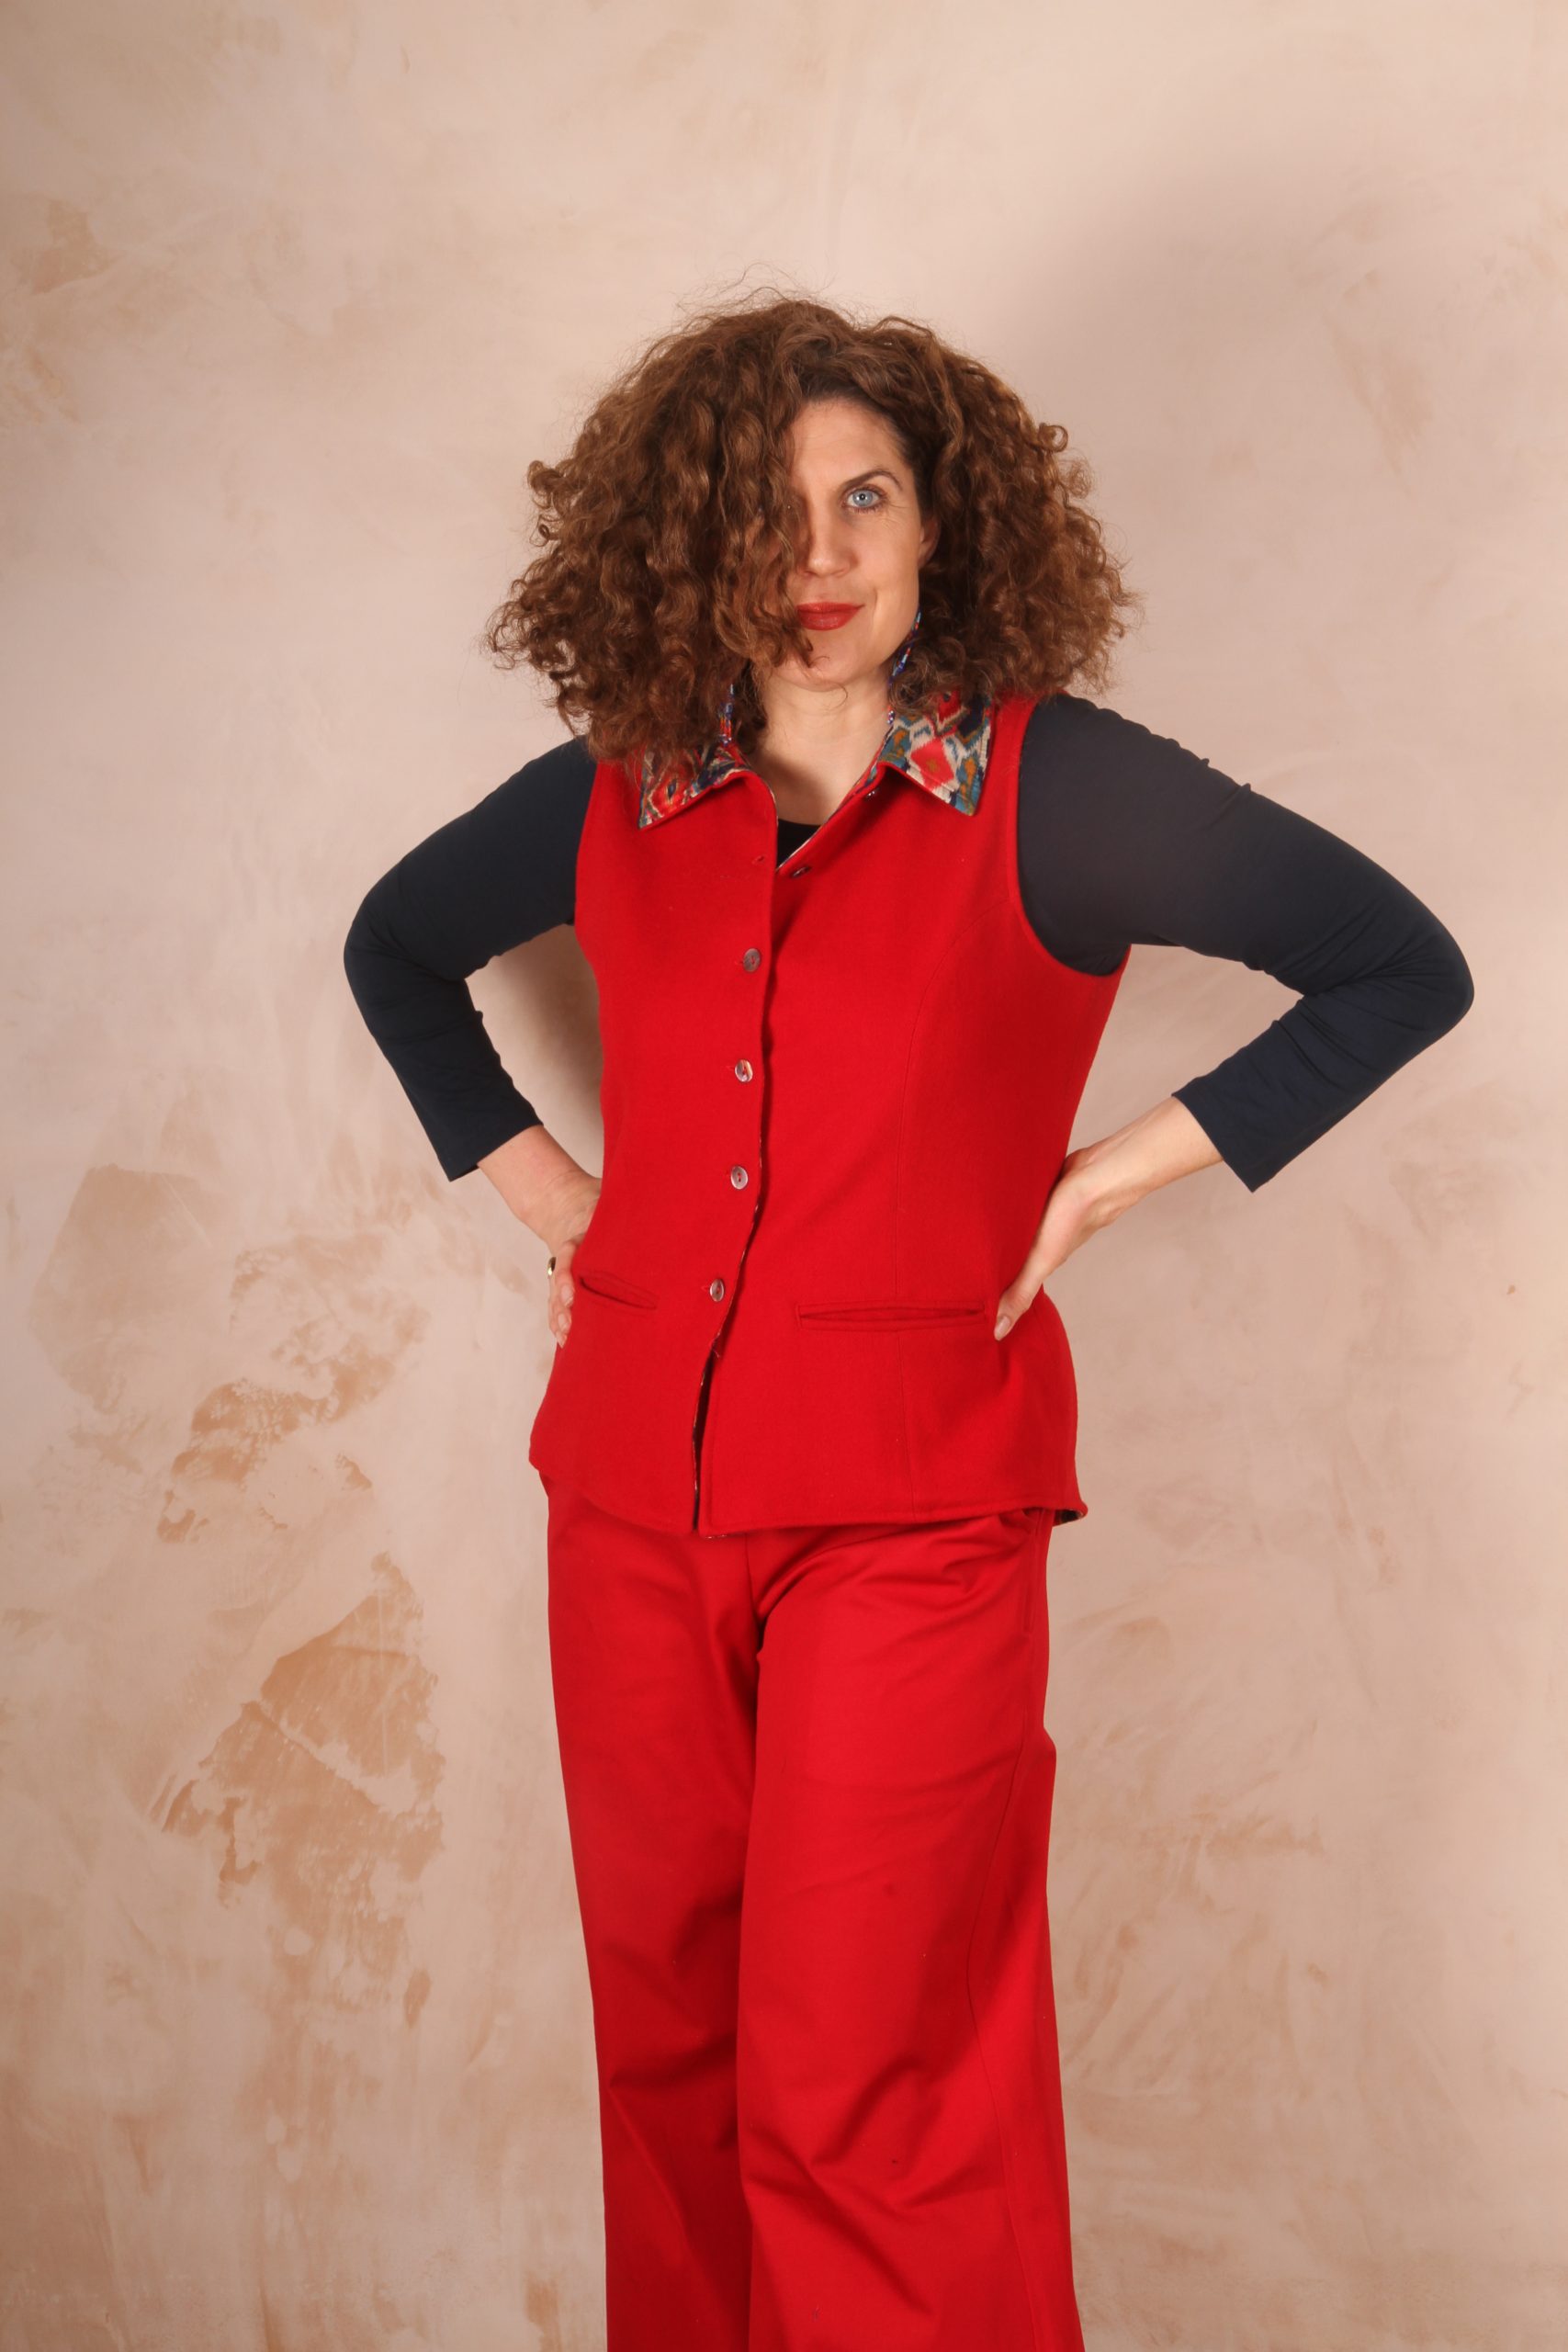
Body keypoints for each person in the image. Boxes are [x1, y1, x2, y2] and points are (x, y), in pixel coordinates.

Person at [343, 291, 1473, 2352]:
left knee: (870, 2087)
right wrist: (558, 1201)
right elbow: (393, 947)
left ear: (941, 518)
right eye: (765, 508)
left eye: (864, 496)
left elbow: (1397, 963)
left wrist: (1102, 1179)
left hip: (917, 1517)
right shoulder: (619, 783)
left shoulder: (1059, 788)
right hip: (627, 1504)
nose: (820, 553)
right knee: (672, 2064)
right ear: (687, 538)